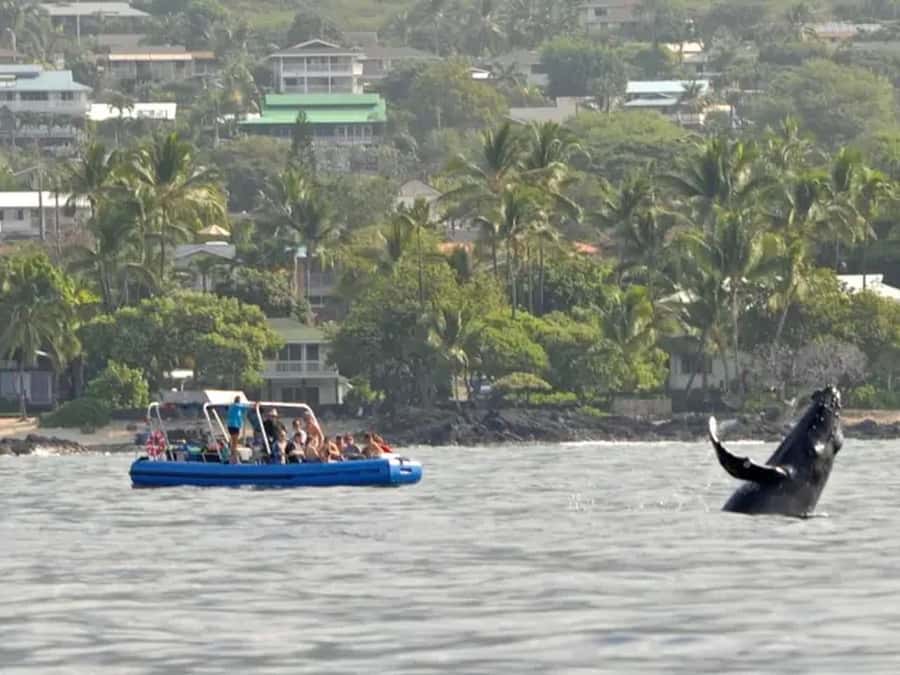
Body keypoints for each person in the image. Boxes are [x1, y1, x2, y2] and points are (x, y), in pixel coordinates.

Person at [225, 396, 250, 464]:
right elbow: (246, 407)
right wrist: (254, 405)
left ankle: (233, 457)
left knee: (234, 442)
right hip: (234, 426)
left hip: (232, 426)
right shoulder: (236, 406)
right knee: (234, 443)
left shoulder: (234, 407)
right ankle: (233, 459)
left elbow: (244, 409)